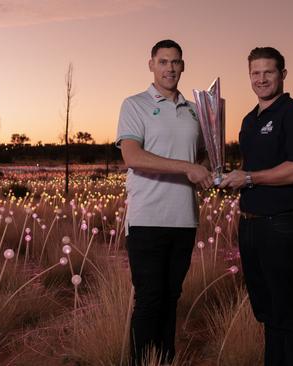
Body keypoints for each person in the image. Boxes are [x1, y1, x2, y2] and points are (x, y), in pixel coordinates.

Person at [219, 46, 293, 366]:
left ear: (282, 75)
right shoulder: (250, 120)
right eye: (255, 73)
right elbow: (256, 170)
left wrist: (248, 178)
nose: (261, 79)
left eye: (268, 72)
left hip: (283, 225)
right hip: (251, 224)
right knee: (267, 311)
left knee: (288, 311)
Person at [116, 39, 213, 364]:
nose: (169, 68)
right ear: (151, 65)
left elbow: (201, 155)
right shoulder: (135, 104)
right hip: (147, 219)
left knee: (171, 298)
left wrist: (209, 169)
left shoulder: (195, 110)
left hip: (184, 219)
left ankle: (164, 361)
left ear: (183, 66)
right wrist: (187, 168)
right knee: (149, 299)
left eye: (175, 62)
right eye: (163, 62)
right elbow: (132, 156)